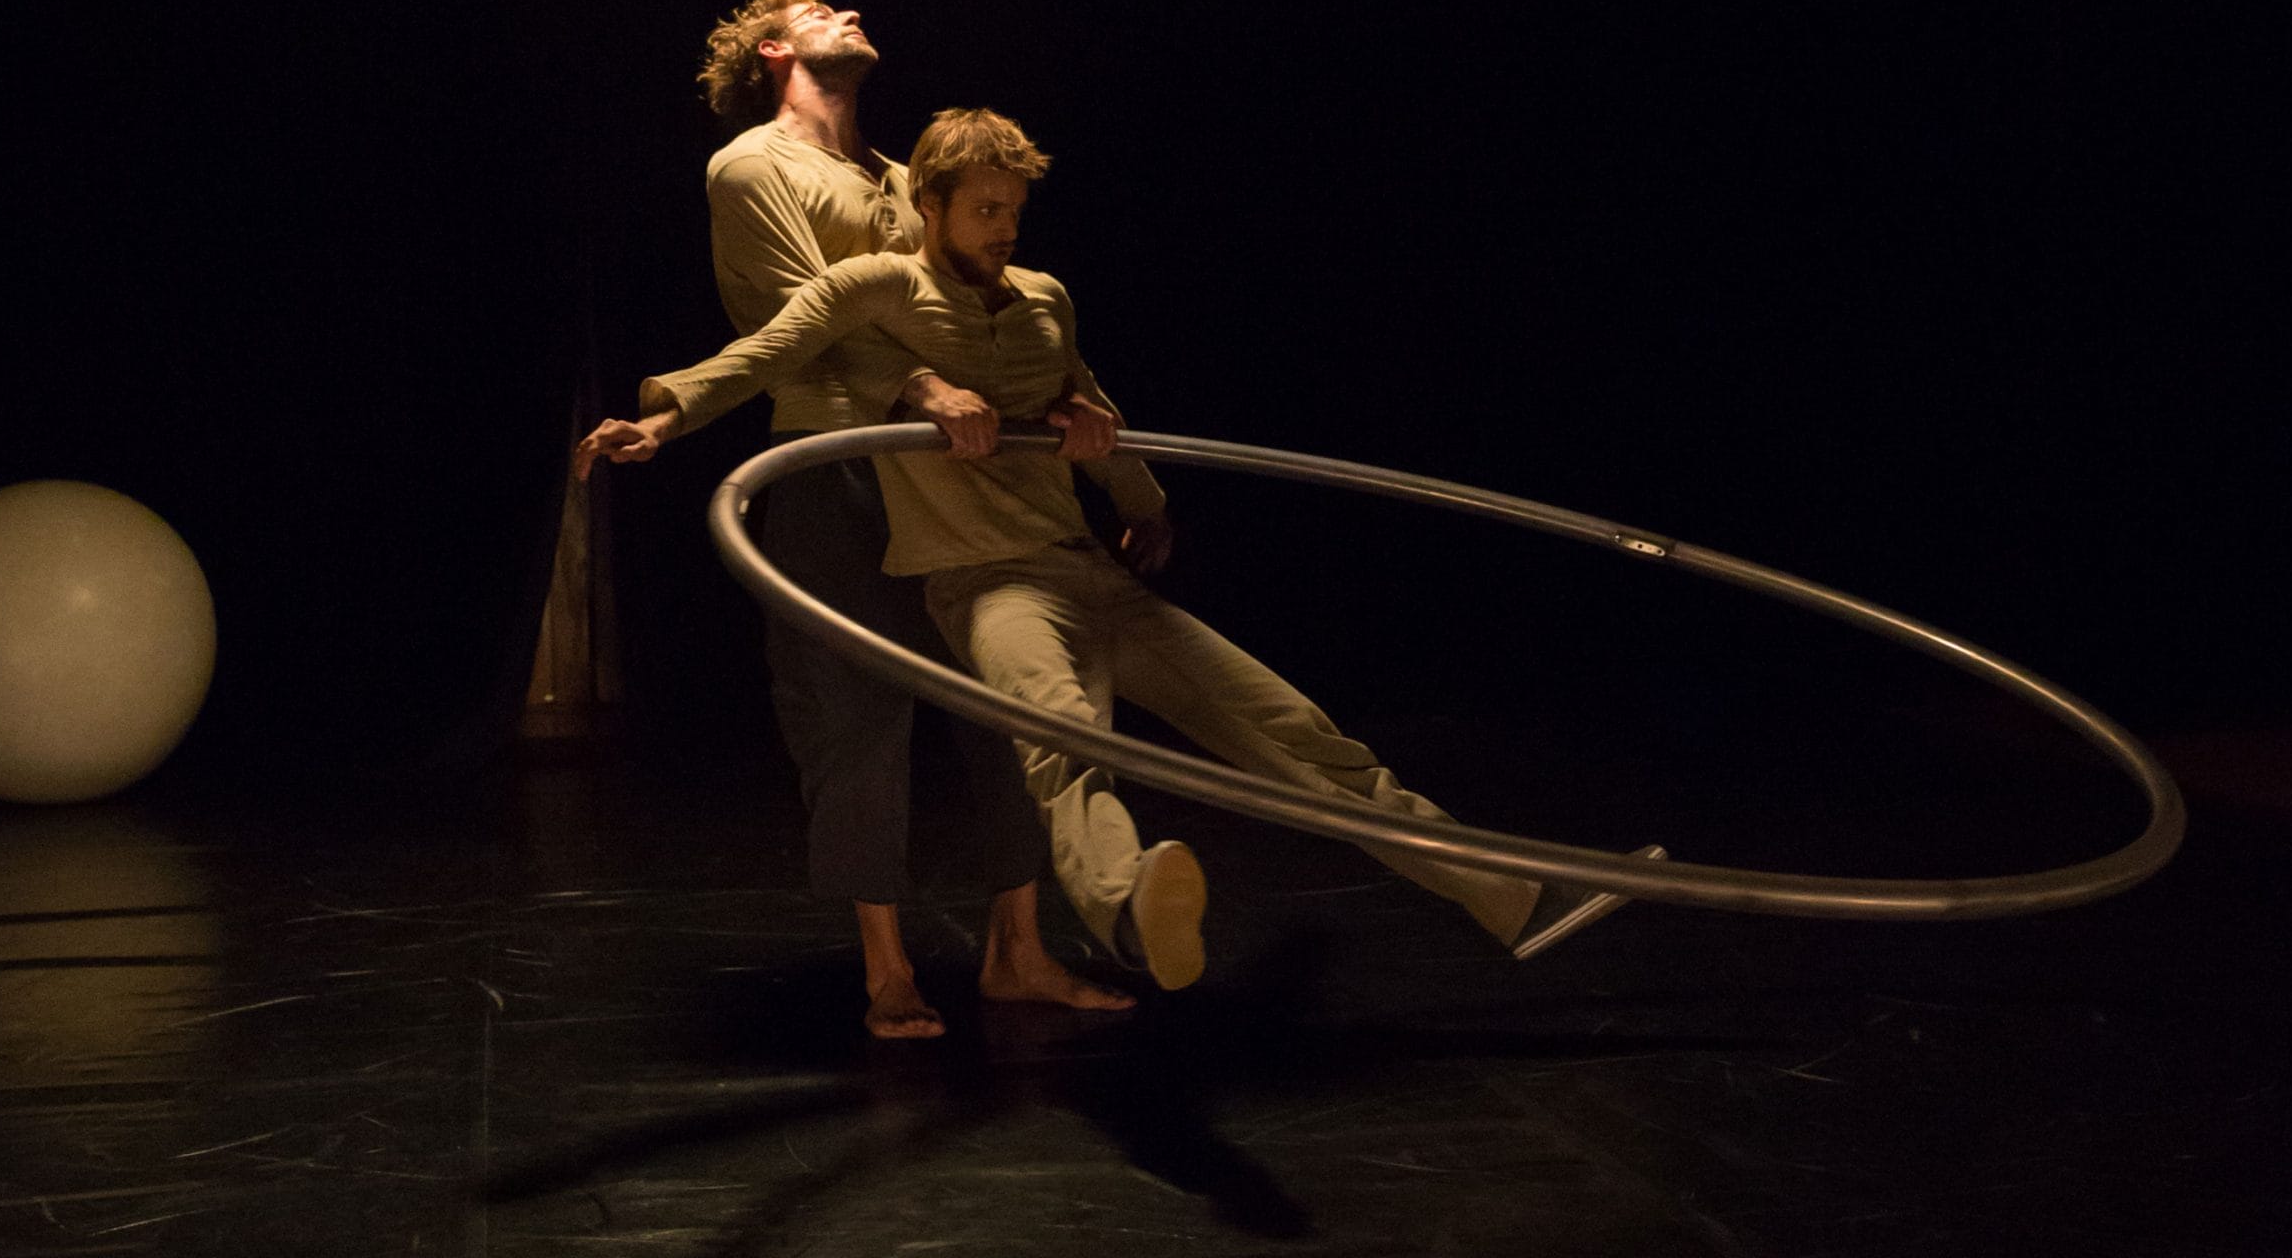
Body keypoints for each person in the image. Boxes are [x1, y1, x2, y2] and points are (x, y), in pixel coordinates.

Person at [578, 108, 1661, 984]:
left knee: (1306, 741)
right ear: (931, 204)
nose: (1007, 226)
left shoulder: (1046, 300)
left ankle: (1514, 898)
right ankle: (1129, 913)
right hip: (984, 586)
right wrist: (664, 420)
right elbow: (764, 351)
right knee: (1062, 743)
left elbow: (1092, 409)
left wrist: (1138, 494)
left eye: (1017, 207)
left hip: (1088, 571)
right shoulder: (877, 291)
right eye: (986, 207)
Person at [656, 0, 1134, 1039]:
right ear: (775, 51)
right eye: (820, 10)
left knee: (1011, 696)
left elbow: (1001, 303)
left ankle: (1017, 952)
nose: (850, 11)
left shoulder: (906, 175)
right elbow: (793, 316)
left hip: (962, 469)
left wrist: (1079, 417)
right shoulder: (752, 167)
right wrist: (917, 387)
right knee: (857, 712)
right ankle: (887, 969)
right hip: (841, 463)